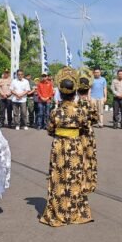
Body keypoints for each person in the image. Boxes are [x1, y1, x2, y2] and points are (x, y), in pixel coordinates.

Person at [40, 67, 93, 227]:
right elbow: (85, 128)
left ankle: (58, 212)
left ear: (61, 94)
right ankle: (74, 211)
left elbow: (50, 130)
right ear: (74, 92)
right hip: (76, 146)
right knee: (75, 177)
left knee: (59, 178)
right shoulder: (80, 112)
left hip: (59, 147)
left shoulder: (55, 112)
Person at [76, 67, 98, 195]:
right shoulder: (91, 105)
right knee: (88, 158)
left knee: (78, 158)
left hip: (77, 135)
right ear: (88, 89)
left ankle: (77, 182)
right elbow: (94, 120)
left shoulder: (75, 105)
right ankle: (87, 183)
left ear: (77, 91)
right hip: (89, 134)